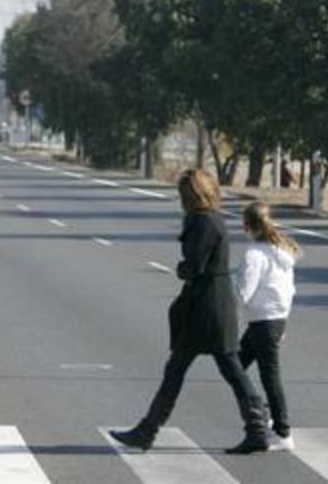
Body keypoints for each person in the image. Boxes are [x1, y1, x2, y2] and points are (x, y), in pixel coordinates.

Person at [110, 169, 270, 455]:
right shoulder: (215, 219)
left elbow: (193, 265)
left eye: (183, 194)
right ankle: (257, 427)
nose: (180, 200)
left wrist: (182, 269)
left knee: (182, 368)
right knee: (229, 367)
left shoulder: (201, 221)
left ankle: (147, 430)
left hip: (204, 304)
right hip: (216, 301)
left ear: (192, 195)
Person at [235, 202, 302, 451]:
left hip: (264, 321)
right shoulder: (280, 252)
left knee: (268, 376)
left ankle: (282, 431)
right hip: (273, 319)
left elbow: (243, 292)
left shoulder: (255, 255)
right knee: (236, 366)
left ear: (247, 226)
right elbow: (289, 290)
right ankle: (263, 413)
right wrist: (282, 322)